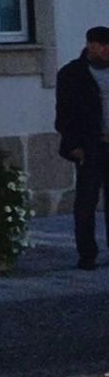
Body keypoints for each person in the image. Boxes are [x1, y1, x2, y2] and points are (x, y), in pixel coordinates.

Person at [58, 26, 109, 271]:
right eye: (102, 45)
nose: (106, 50)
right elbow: (65, 114)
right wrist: (73, 144)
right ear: (90, 45)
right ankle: (87, 254)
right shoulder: (72, 74)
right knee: (86, 202)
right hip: (90, 146)